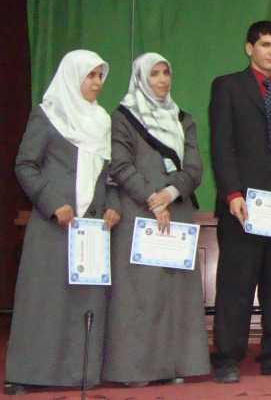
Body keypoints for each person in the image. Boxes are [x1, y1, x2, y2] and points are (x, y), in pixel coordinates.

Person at [5, 50, 121, 395]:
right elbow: (25, 165)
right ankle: (29, 374)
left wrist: (112, 206)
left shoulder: (102, 120)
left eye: (101, 76)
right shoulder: (47, 115)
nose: (98, 83)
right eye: (91, 76)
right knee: (44, 301)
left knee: (85, 299)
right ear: (72, 76)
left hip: (91, 226)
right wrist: (53, 203)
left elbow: (109, 177)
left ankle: (79, 374)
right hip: (53, 223)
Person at [209, 21, 271, 383]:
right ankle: (226, 357)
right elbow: (222, 147)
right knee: (236, 284)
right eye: (266, 45)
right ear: (249, 48)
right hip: (244, 205)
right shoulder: (227, 87)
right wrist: (232, 193)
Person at [103, 53, 210, 385]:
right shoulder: (122, 117)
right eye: (154, 75)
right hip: (138, 211)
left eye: (166, 73)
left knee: (176, 294)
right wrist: (153, 197)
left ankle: (175, 367)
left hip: (176, 211)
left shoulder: (182, 119)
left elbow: (194, 170)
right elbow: (119, 166)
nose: (162, 80)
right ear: (140, 79)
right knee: (140, 293)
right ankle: (135, 371)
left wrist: (169, 194)